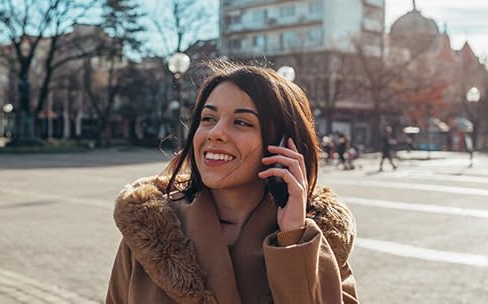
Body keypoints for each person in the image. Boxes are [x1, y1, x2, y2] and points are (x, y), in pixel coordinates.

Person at [106, 61, 358, 303]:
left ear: (284, 145)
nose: (215, 133)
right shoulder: (148, 228)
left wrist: (294, 238)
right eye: (208, 119)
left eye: (241, 122)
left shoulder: (322, 239)